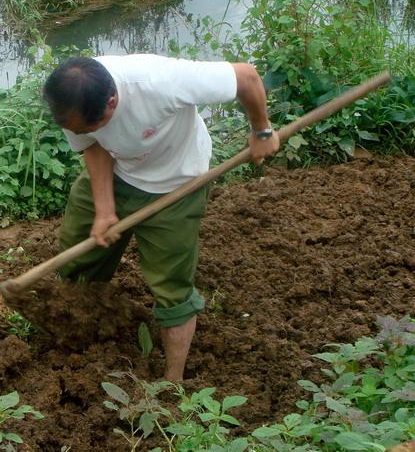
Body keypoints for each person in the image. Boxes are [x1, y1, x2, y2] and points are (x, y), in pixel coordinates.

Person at [42, 54, 280, 381]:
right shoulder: (73, 102)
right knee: (77, 260)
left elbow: (247, 77)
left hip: (176, 185)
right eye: (75, 128)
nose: (81, 131)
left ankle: (172, 383)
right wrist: (104, 207)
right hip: (120, 172)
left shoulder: (160, 81)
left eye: (92, 125)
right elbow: (91, 145)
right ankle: (75, 339)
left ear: (112, 102)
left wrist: (262, 131)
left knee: (171, 288)